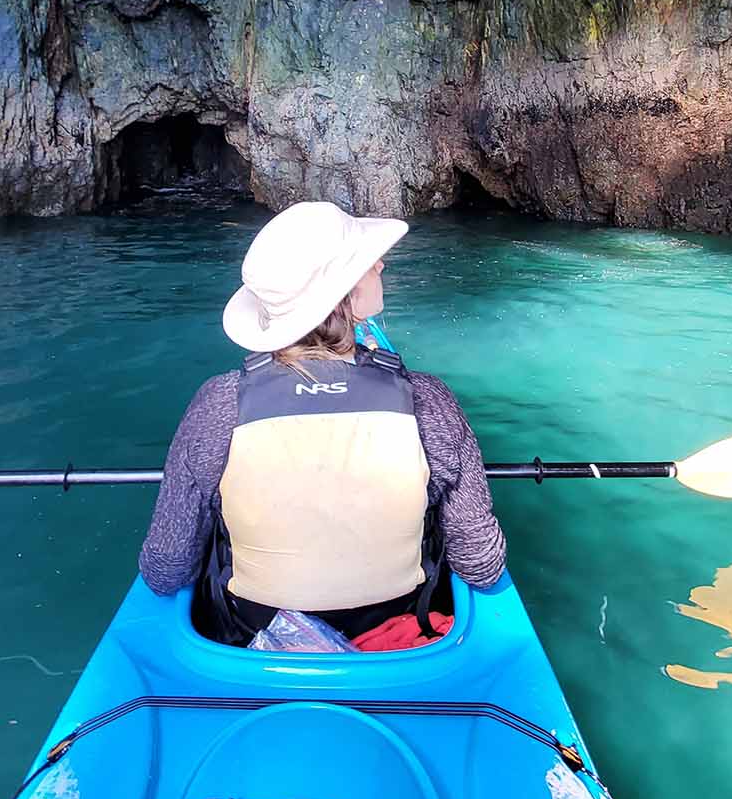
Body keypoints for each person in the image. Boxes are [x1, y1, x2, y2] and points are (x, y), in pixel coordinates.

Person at [138, 200, 508, 645]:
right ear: (347, 295)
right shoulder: (427, 400)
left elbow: (166, 569)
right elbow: (482, 565)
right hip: (399, 627)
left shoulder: (219, 405)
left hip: (253, 633)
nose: (382, 263)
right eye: (369, 262)